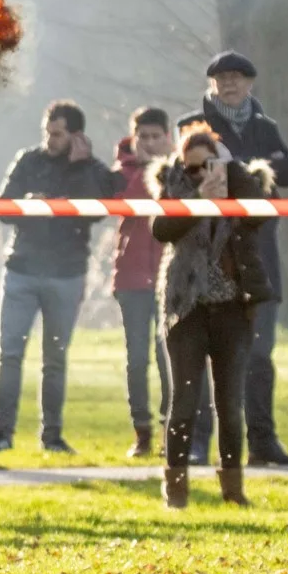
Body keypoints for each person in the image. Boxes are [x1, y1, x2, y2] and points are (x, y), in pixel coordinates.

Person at [178, 51, 288, 467]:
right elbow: (188, 175)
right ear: (211, 83)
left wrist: (254, 167)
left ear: (250, 83)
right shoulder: (191, 126)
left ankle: (264, 443)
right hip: (207, 256)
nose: (229, 84)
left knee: (259, 353)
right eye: (221, 78)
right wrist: (244, 173)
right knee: (199, 355)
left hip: (257, 255)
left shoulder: (264, 126)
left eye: (237, 77)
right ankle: (196, 443)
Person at [0, 99, 121, 454]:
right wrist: (28, 202)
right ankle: (2, 434)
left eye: (57, 133)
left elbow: (96, 211)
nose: (49, 139)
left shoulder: (91, 169)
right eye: (47, 131)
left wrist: (81, 168)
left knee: (55, 360)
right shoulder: (28, 160)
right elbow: (2, 207)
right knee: (10, 353)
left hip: (67, 273)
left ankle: (52, 436)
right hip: (22, 269)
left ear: (76, 136)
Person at [149, 124, 275, 508]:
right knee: (184, 402)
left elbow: (260, 217)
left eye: (209, 166)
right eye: (192, 168)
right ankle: (176, 491)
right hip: (186, 308)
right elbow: (162, 229)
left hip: (233, 308)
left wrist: (231, 174)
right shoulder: (175, 185)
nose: (201, 174)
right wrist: (199, 199)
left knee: (230, 404)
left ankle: (233, 491)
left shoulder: (239, 184)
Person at [112, 107, 175, 458]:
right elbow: (129, 204)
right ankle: (142, 432)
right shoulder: (121, 173)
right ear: (134, 138)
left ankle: (171, 429)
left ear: (167, 137)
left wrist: (163, 169)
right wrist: (147, 170)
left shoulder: (180, 170)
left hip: (170, 274)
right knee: (137, 358)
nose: (150, 143)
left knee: (168, 356)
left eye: (156, 136)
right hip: (132, 275)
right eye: (143, 137)